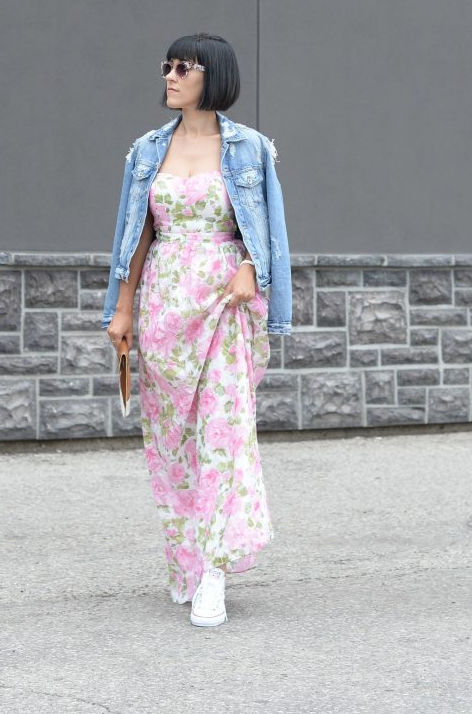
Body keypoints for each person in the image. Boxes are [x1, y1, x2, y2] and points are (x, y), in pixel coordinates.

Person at [101, 33, 292, 627]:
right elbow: (136, 237)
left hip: (225, 308)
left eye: (183, 66)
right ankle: (184, 561)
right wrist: (123, 309)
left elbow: (271, 233)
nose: (170, 74)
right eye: (167, 65)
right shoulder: (146, 151)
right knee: (172, 444)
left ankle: (214, 571)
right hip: (162, 304)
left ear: (215, 76)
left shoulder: (250, 149)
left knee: (223, 435)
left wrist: (249, 271)